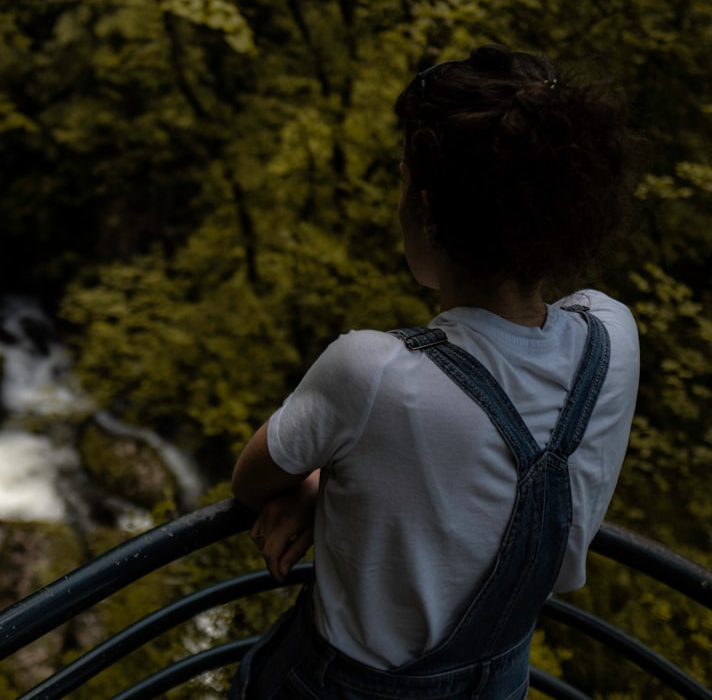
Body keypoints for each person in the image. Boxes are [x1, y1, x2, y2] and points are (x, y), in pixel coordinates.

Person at [228, 44, 642, 699]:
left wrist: (316, 480)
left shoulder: (369, 375)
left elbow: (252, 479)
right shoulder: (613, 338)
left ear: (422, 207)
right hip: (500, 680)